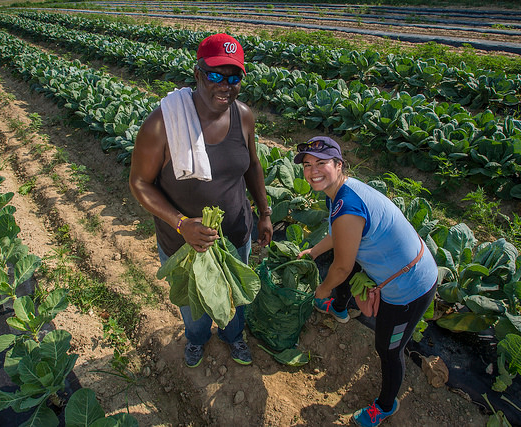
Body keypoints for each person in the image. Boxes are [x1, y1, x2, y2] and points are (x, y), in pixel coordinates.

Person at [129, 33, 273, 368]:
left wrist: (264, 212)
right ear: (198, 73)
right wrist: (181, 224)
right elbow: (139, 182)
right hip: (184, 242)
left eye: (234, 77)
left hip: (236, 233)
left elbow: (252, 165)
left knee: (234, 296)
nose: (226, 85)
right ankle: (196, 340)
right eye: (215, 75)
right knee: (194, 304)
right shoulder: (163, 124)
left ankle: (233, 336)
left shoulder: (244, 116)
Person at [295, 136, 437, 427]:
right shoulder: (341, 191)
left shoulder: (347, 204)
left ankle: (385, 406)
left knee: (388, 349)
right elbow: (341, 235)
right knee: (350, 265)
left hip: (411, 288)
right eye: (307, 165)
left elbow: (342, 267)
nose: (312, 171)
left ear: (338, 164)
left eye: (321, 163)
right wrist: (314, 251)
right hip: (397, 267)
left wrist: (320, 292)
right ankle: (341, 309)